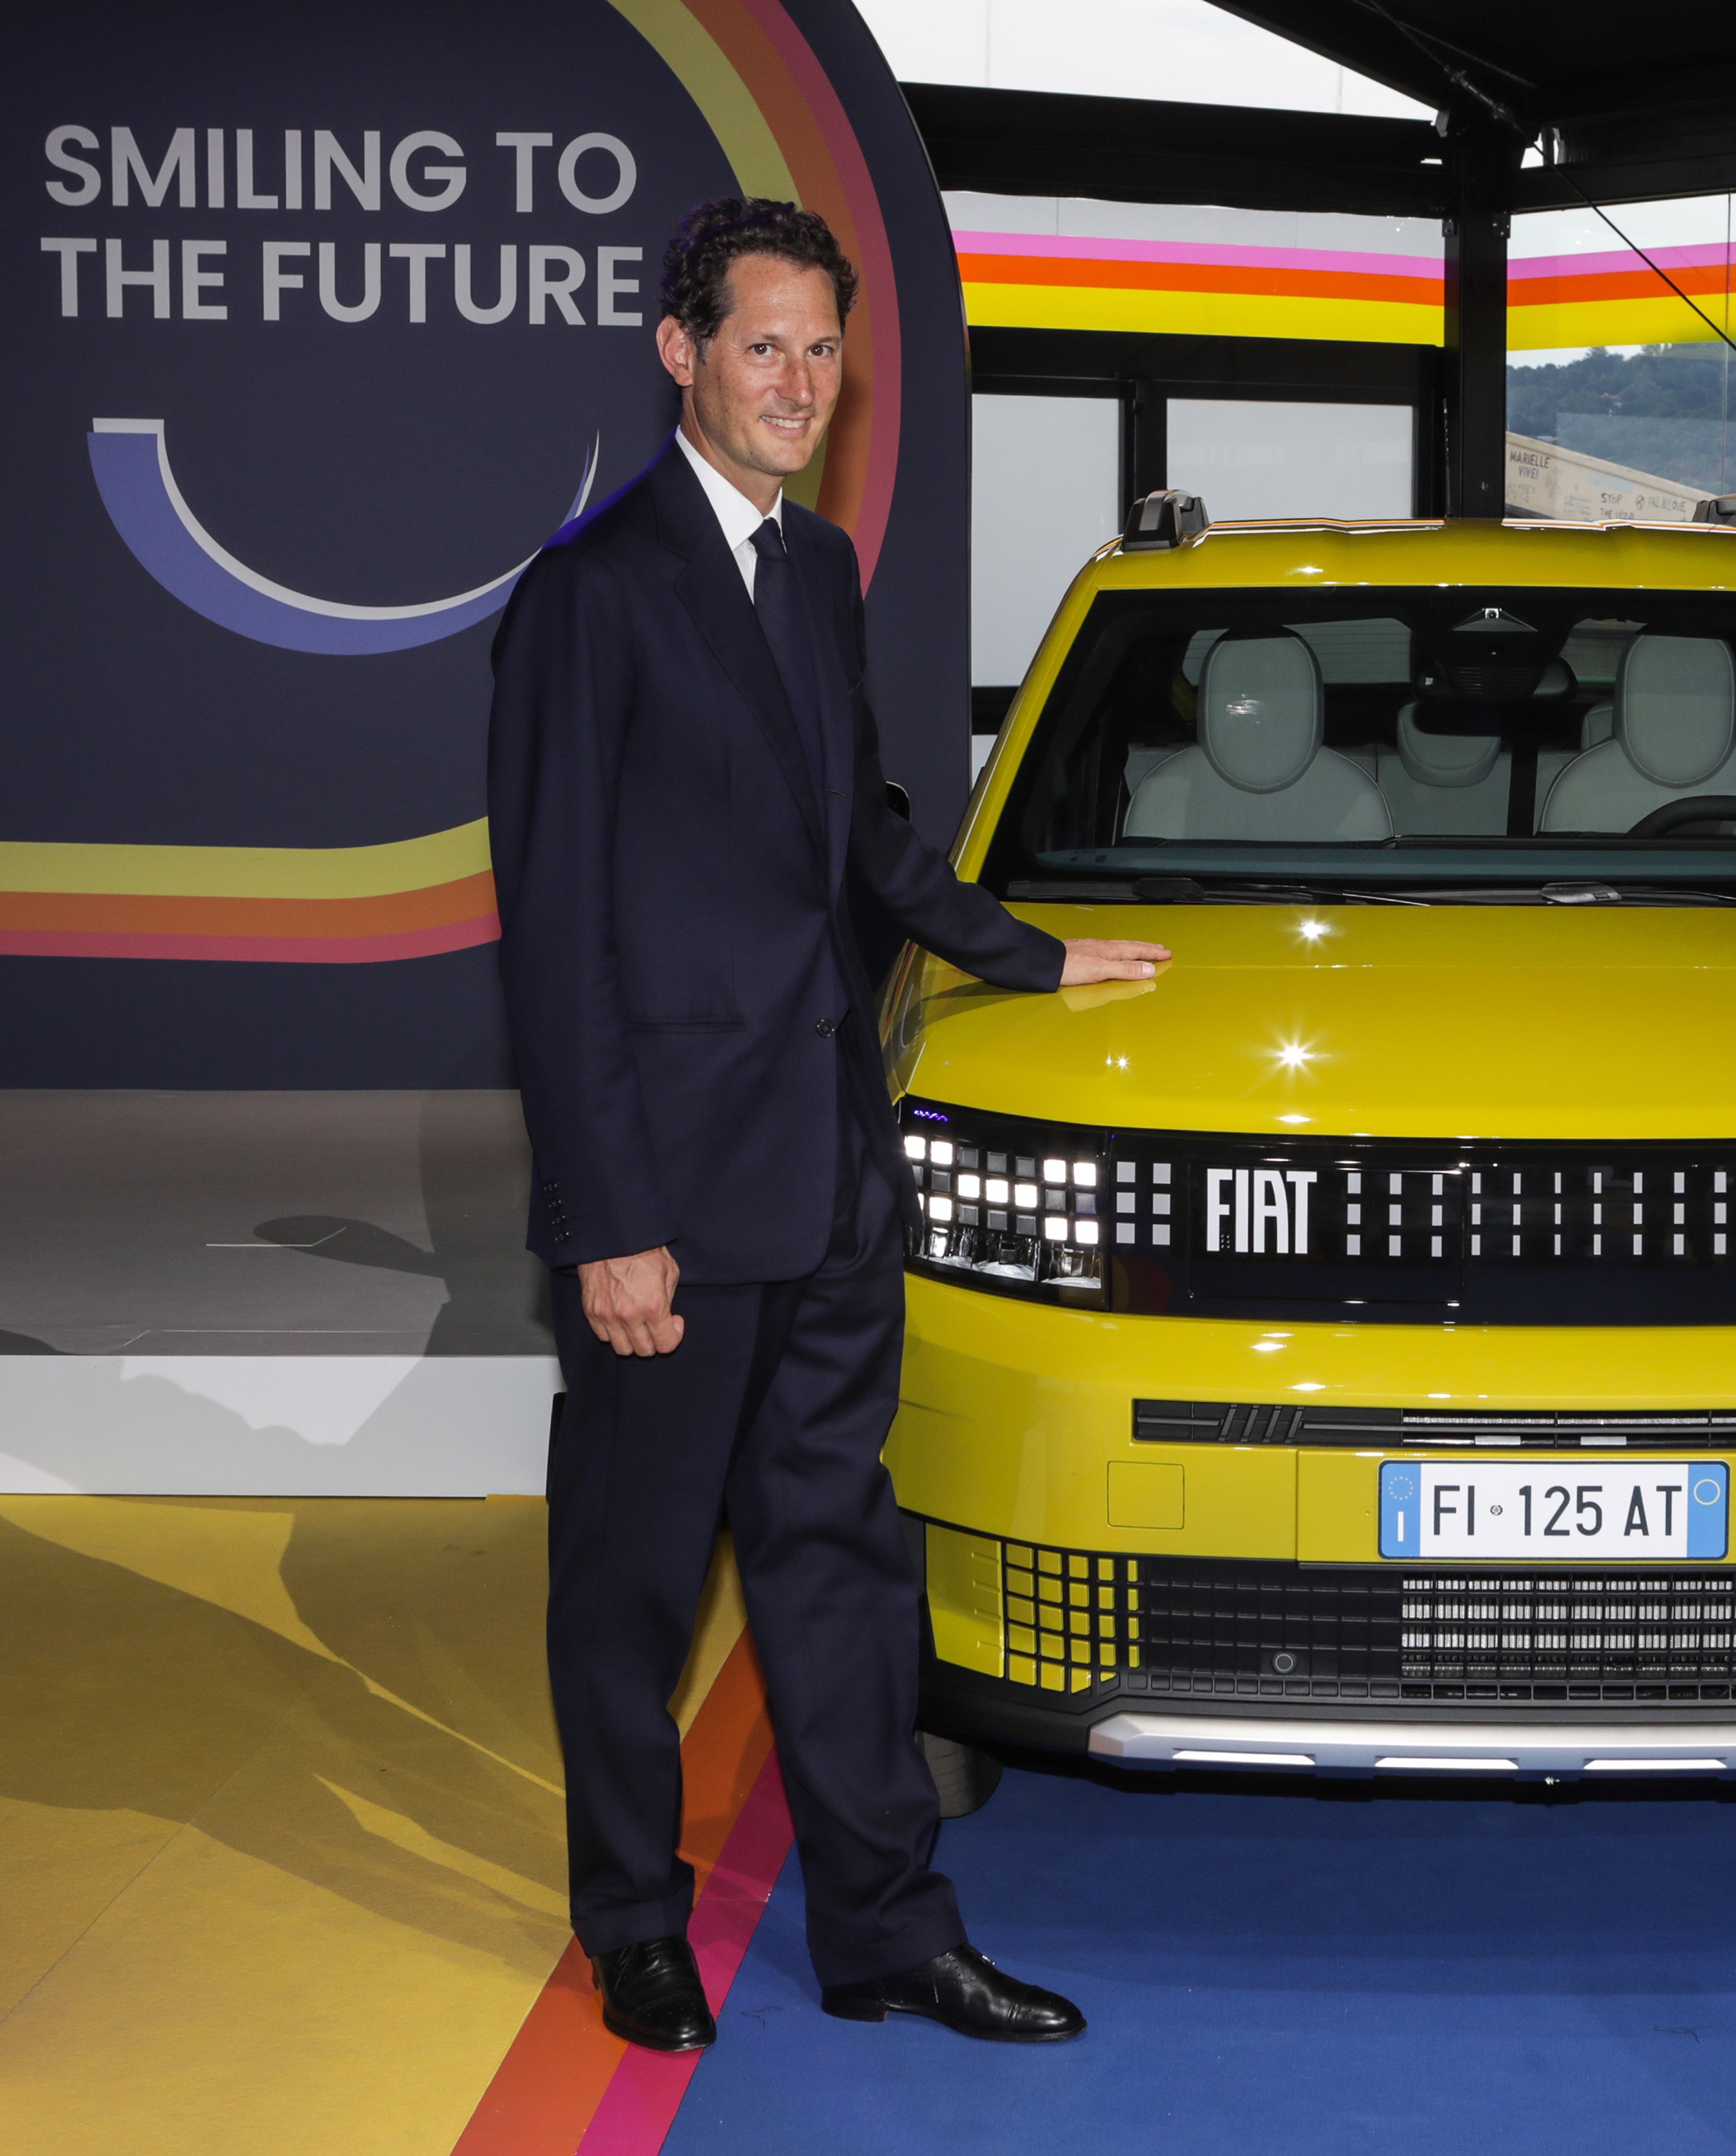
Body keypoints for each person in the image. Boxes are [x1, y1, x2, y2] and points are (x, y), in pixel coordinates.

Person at [488, 196, 1167, 2049]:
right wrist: (607, 1220)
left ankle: (887, 1930)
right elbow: (554, 936)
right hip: (668, 1208)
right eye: (762, 345)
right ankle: (633, 1921)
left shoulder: (813, 566)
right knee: (631, 1594)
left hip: (829, 1176)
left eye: (820, 348)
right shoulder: (589, 593)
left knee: (842, 1575)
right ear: (679, 351)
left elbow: (856, 832)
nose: (798, 383)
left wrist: (1029, 955)